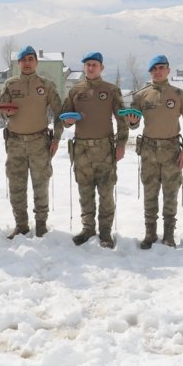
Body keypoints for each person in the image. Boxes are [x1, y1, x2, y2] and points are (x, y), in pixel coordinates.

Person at [125, 55, 183, 249]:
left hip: (172, 150)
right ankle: (150, 233)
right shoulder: (141, 96)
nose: (157, 71)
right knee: (150, 192)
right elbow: (133, 122)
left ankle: (168, 235)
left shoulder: (179, 95)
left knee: (171, 193)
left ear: (168, 70)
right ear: (150, 72)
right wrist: (132, 122)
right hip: (148, 150)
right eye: (154, 68)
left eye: (161, 68)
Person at [62, 52, 128, 249]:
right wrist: (67, 121)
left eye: (94, 65)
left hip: (105, 149)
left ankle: (105, 232)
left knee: (106, 192)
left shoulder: (111, 90)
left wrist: (121, 144)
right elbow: (64, 119)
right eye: (88, 65)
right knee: (85, 191)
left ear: (101, 68)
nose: (91, 68)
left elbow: (122, 119)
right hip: (82, 149)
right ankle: (88, 228)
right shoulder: (75, 91)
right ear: (84, 67)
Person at [0, 46, 64, 239]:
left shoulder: (47, 85)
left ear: (36, 62)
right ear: (18, 63)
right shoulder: (10, 84)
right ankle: (21, 225)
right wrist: (5, 113)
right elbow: (2, 109)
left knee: (41, 184)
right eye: (23, 60)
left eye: (30, 59)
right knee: (16, 185)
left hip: (39, 143)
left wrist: (57, 138)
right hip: (15, 143)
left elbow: (60, 114)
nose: (27, 63)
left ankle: (42, 225)